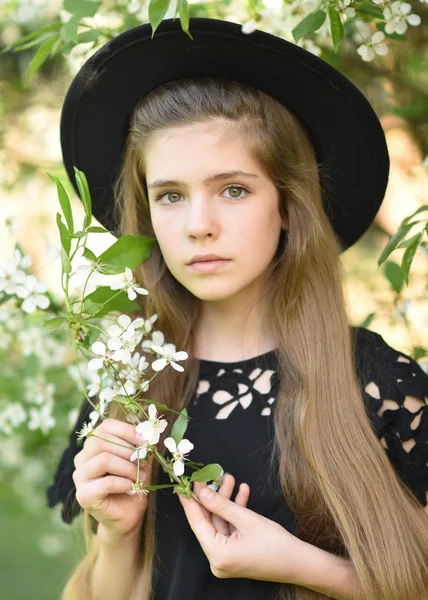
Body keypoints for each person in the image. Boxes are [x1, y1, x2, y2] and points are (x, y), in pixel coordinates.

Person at [47, 17, 428, 600]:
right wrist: (118, 536)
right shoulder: (132, 384)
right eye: (171, 196)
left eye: (233, 189)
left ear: (286, 206)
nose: (199, 226)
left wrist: (303, 566)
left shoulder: (378, 385)